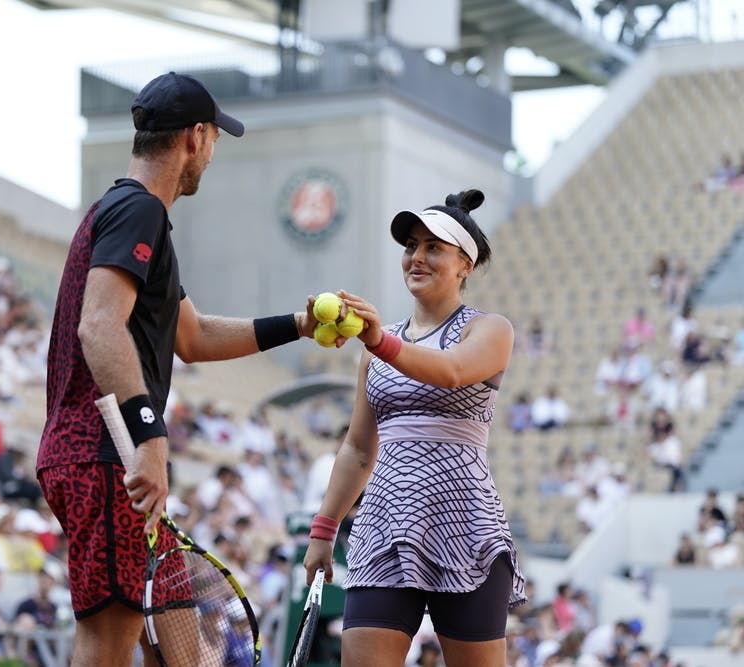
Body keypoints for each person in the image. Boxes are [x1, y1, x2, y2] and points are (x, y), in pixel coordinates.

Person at [35, 71, 317, 667]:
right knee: (107, 643)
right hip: (107, 456)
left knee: (182, 646)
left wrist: (297, 323)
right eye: (214, 140)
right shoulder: (138, 209)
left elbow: (192, 336)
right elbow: (99, 325)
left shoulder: (131, 215)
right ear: (195, 137)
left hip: (106, 458)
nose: (212, 156)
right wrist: (150, 436)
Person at [301, 190, 525, 667]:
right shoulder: (375, 348)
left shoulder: (489, 329)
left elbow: (450, 371)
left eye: (433, 248)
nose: (416, 258)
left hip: (464, 526)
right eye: (411, 246)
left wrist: (378, 340)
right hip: (383, 525)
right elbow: (359, 450)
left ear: (466, 264)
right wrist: (323, 531)